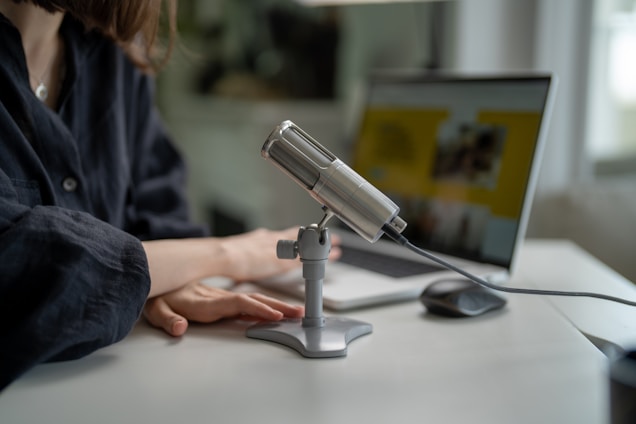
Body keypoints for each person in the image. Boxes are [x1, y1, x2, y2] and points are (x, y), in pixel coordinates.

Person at [0, 0, 339, 390]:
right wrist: (224, 254)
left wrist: (163, 278)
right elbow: (16, 264)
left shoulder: (118, 55)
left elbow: (159, 207)